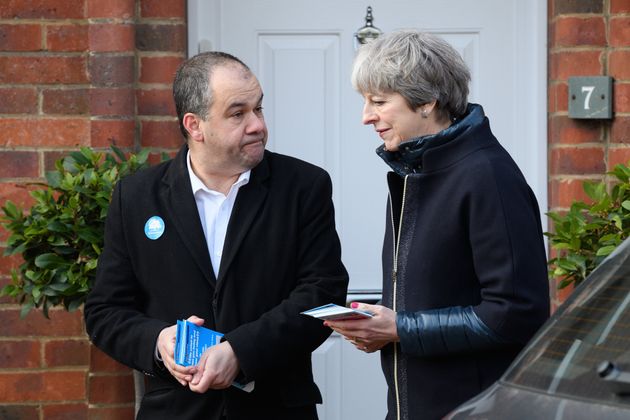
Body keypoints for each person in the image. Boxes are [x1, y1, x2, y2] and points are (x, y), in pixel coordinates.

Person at [84, 51, 348, 420]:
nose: (257, 124)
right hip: (175, 410)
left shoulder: (304, 186)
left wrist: (241, 351)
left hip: (275, 408)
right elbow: (105, 311)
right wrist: (159, 343)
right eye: (238, 113)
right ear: (195, 125)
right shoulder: (137, 196)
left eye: (258, 108)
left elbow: (323, 294)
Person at [325, 30, 550, 420]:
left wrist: (400, 328)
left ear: (427, 100)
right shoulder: (415, 170)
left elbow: (516, 313)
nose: (366, 117)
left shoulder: (488, 177)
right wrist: (377, 324)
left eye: (378, 102)